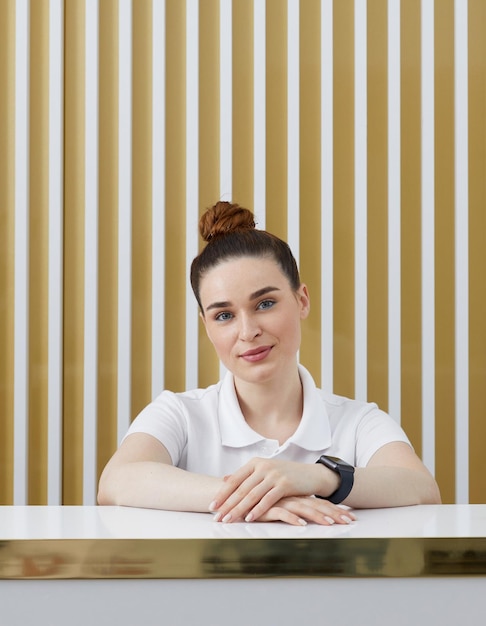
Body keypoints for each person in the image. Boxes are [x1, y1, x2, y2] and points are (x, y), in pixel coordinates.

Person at [98, 201, 441, 526]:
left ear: (301, 300)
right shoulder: (179, 413)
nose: (248, 332)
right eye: (224, 315)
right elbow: (116, 483)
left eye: (264, 304)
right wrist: (261, 497)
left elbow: (422, 490)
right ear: (206, 326)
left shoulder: (358, 422)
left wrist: (319, 477)